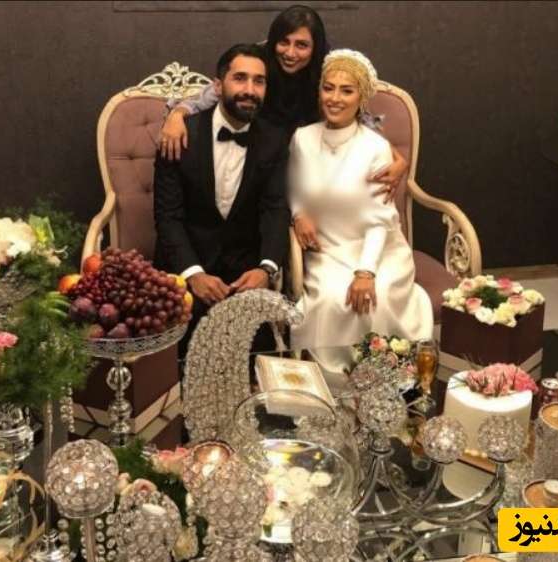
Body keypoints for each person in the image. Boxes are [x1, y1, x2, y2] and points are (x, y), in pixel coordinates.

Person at [288, 49, 433, 390]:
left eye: (346, 91)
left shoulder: (375, 147)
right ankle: (331, 384)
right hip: (327, 247)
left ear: (361, 98)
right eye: (328, 88)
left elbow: (379, 218)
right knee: (328, 298)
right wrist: (299, 213)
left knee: (375, 296)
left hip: (378, 247)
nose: (335, 98)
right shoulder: (302, 137)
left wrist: (366, 271)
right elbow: (294, 186)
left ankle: (381, 379)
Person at [159, 5, 407, 197]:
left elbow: (356, 113)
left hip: (308, 161)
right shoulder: (259, 58)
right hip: (261, 156)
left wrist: (393, 156)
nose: (290, 53)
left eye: (301, 45)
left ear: (316, 47)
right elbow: (216, 92)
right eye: (283, 42)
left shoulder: (327, 66)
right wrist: (177, 114)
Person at [153, 43, 290, 359]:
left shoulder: (274, 140)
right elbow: (167, 215)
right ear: (217, 85)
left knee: (257, 368)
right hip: (184, 269)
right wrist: (193, 274)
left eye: (259, 81)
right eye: (240, 78)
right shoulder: (178, 135)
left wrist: (266, 269)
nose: (250, 90)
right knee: (179, 368)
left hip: (245, 275)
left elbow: (276, 209)